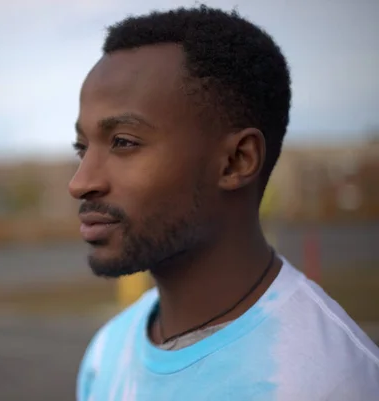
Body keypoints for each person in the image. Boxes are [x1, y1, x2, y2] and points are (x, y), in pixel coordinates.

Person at [69, 5, 379, 400]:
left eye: (124, 142)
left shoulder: (333, 383)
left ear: (236, 161)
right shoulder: (107, 354)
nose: (80, 183)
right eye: (82, 147)